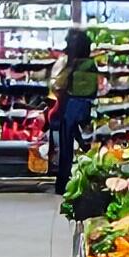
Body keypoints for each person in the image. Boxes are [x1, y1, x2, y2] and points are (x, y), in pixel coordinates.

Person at [46, 26, 101, 195]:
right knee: (86, 145)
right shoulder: (91, 65)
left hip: (69, 109)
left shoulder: (71, 65)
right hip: (85, 109)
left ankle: (63, 184)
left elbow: (58, 86)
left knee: (66, 148)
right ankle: (89, 180)